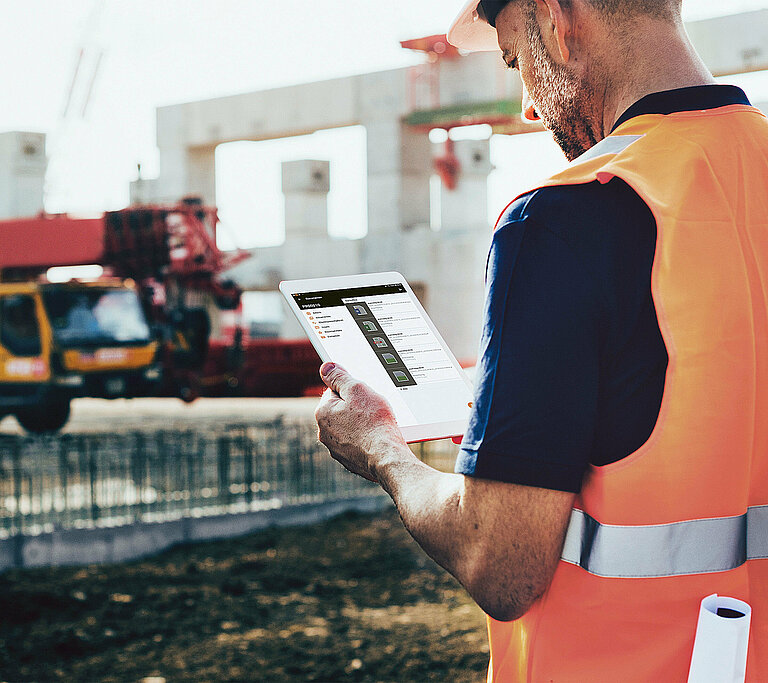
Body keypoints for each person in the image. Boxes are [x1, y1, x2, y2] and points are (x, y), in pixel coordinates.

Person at [315, 1, 768, 680]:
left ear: (555, 18)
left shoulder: (561, 221)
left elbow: (502, 564)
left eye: (514, 60)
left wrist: (382, 448)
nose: (528, 105)